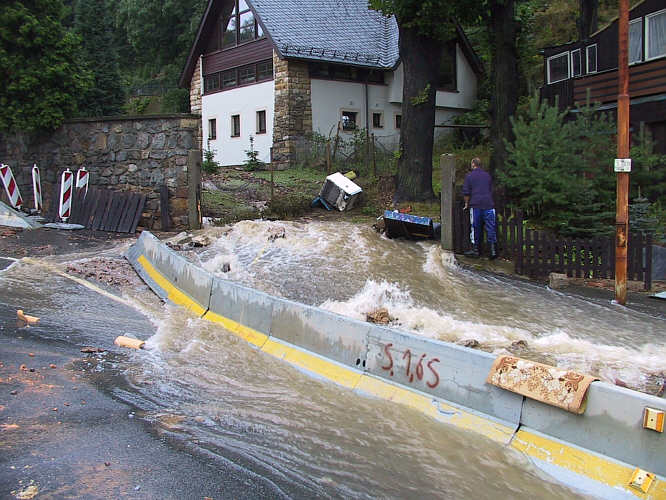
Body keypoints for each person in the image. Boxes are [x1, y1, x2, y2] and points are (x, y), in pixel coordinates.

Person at [462, 157, 497, 259]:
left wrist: (466, 204)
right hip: (489, 205)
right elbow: (490, 189)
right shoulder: (487, 176)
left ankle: (476, 250)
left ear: (473, 164)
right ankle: (492, 251)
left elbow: (466, 193)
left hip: (476, 205)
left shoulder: (470, 176)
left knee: (475, 227)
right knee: (491, 227)